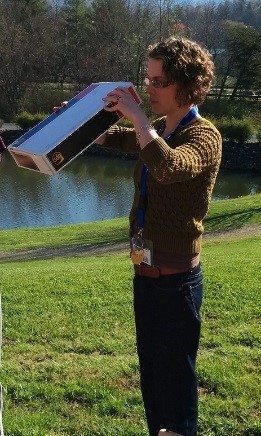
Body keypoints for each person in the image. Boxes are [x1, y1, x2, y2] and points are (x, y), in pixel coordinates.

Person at [98, 36, 222, 436]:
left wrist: (136, 118)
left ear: (186, 83)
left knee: (176, 381)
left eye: (158, 81)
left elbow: (169, 166)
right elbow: (123, 139)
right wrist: (82, 124)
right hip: (145, 274)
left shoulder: (204, 136)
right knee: (152, 374)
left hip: (176, 283)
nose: (148, 88)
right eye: (147, 79)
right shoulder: (160, 128)